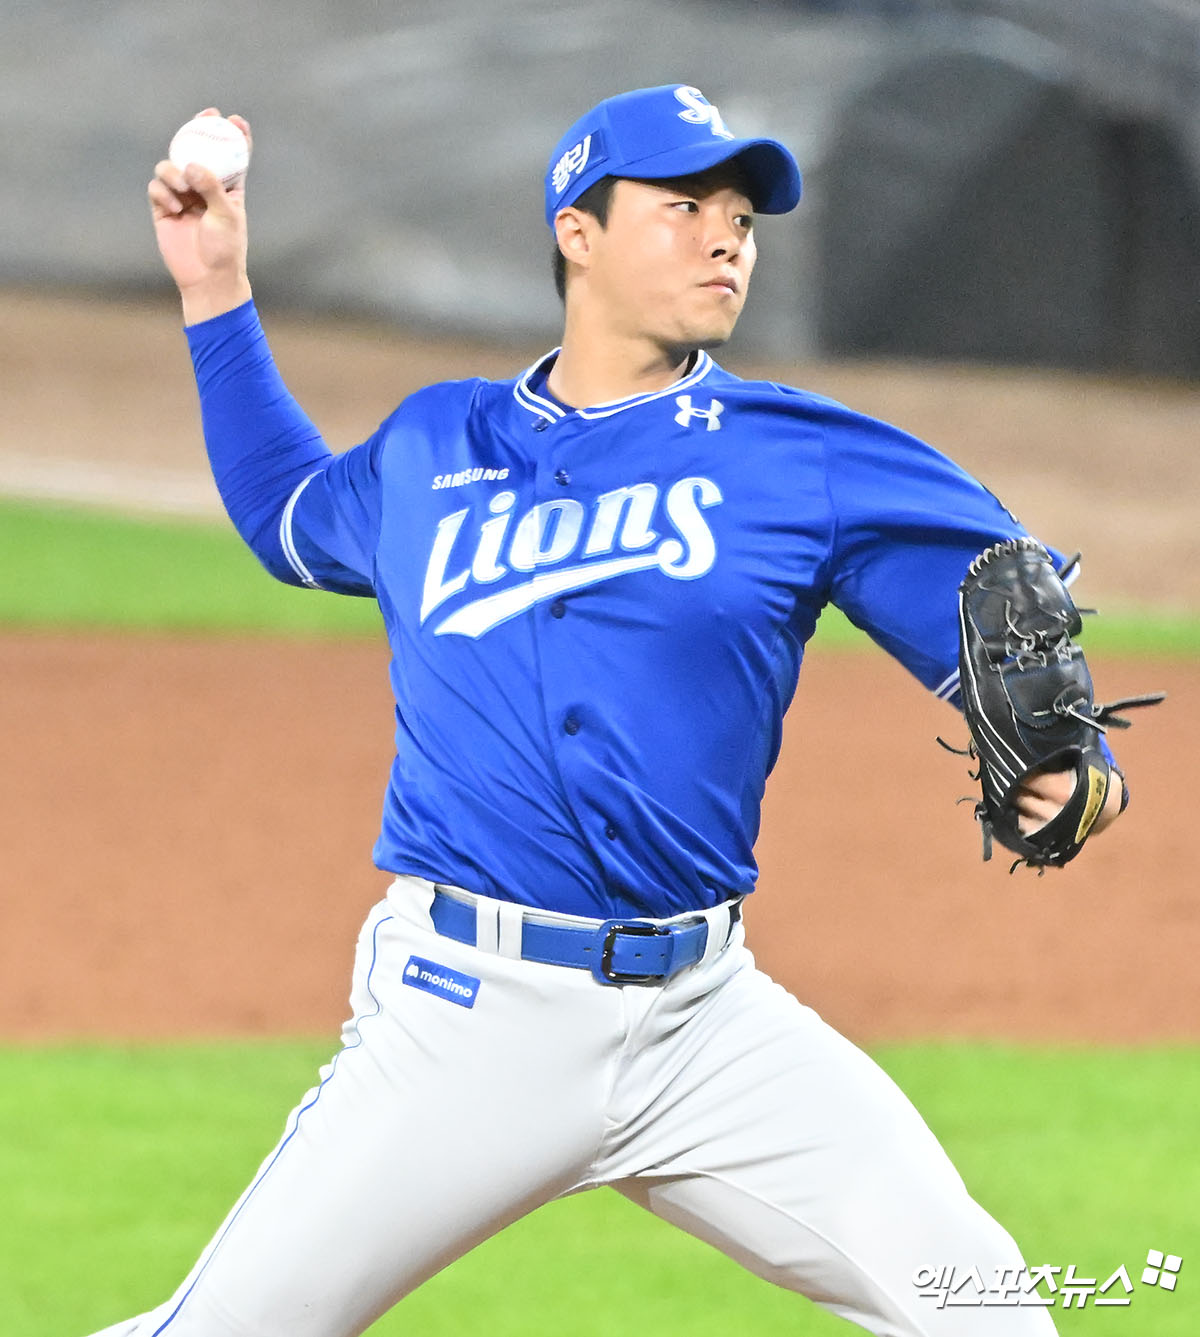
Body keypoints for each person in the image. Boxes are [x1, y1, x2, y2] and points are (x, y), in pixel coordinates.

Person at [113, 85, 1124, 1337]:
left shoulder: (798, 454)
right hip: (469, 1014)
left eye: (743, 217)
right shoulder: (438, 442)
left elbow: (1005, 630)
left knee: (992, 1313)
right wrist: (215, 292)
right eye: (685, 205)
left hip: (707, 1022)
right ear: (575, 231)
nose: (726, 238)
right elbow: (286, 515)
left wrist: (1079, 769)